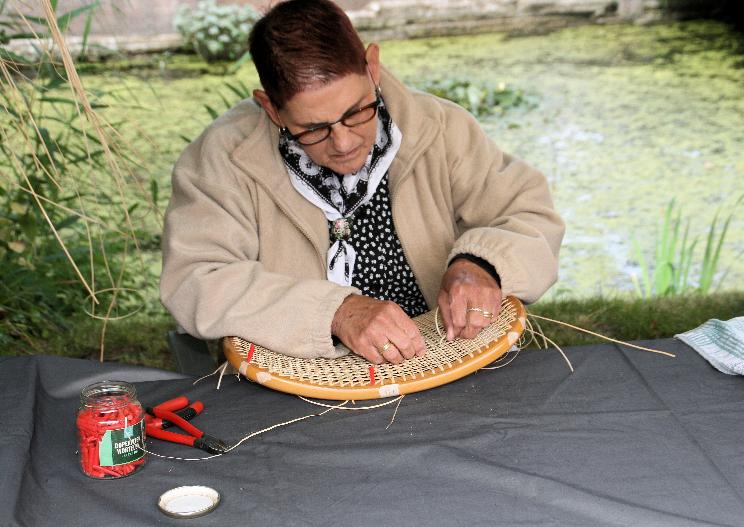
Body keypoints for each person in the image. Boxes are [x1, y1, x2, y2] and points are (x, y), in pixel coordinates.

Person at [160, 0, 564, 366]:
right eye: (314, 128)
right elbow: (197, 280)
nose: (344, 143)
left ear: (372, 67)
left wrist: (480, 265)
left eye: (357, 112)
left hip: (448, 359)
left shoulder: (438, 128)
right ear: (271, 108)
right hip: (298, 382)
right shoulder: (222, 160)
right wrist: (336, 311)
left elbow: (528, 214)